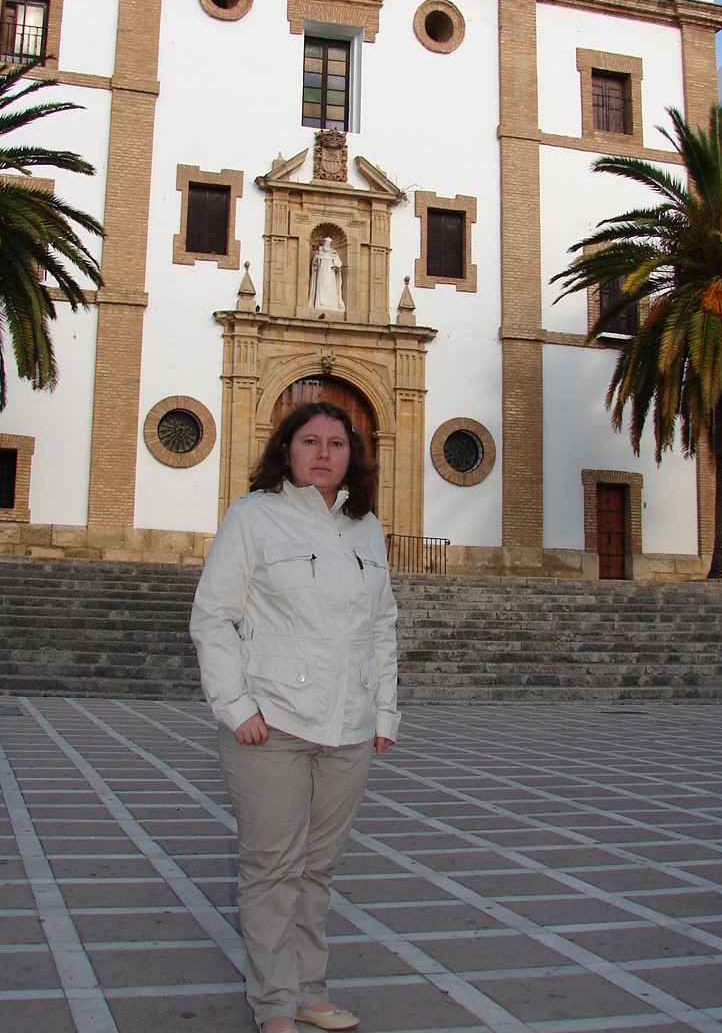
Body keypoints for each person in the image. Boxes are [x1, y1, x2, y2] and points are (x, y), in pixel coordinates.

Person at [190, 401, 399, 1033]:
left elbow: (382, 625)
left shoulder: (367, 528)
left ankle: (310, 991)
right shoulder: (252, 517)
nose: (324, 452)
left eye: (337, 442)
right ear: (286, 450)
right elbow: (213, 616)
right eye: (310, 440)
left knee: (317, 868)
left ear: (352, 456)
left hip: (349, 727)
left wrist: (384, 711)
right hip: (272, 724)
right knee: (273, 868)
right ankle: (275, 1004)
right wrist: (235, 706)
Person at [308, 237, 345, 312]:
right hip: (322, 272)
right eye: (326, 243)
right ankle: (320, 305)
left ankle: (332, 305)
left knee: (330, 288)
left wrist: (337, 267)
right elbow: (314, 264)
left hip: (331, 274)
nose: (327, 244)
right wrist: (316, 259)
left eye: (329, 243)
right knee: (322, 286)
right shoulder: (319, 252)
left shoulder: (333, 253)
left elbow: (338, 263)